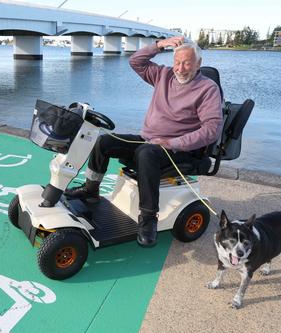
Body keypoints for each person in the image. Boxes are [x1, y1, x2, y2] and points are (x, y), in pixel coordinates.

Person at [65, 36, 224, 247]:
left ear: (198, 64)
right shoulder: (163, 75)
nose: (180, 68)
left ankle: (148, 218)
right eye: (177, 62)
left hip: (178, 149)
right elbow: (136, 62)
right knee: (104, 142)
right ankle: (90, 190)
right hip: (148, 140)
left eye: (187, 63)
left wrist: (172, 143)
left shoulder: (208, 89)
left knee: (146, 153)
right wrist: (159, 45)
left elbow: (212, 130)